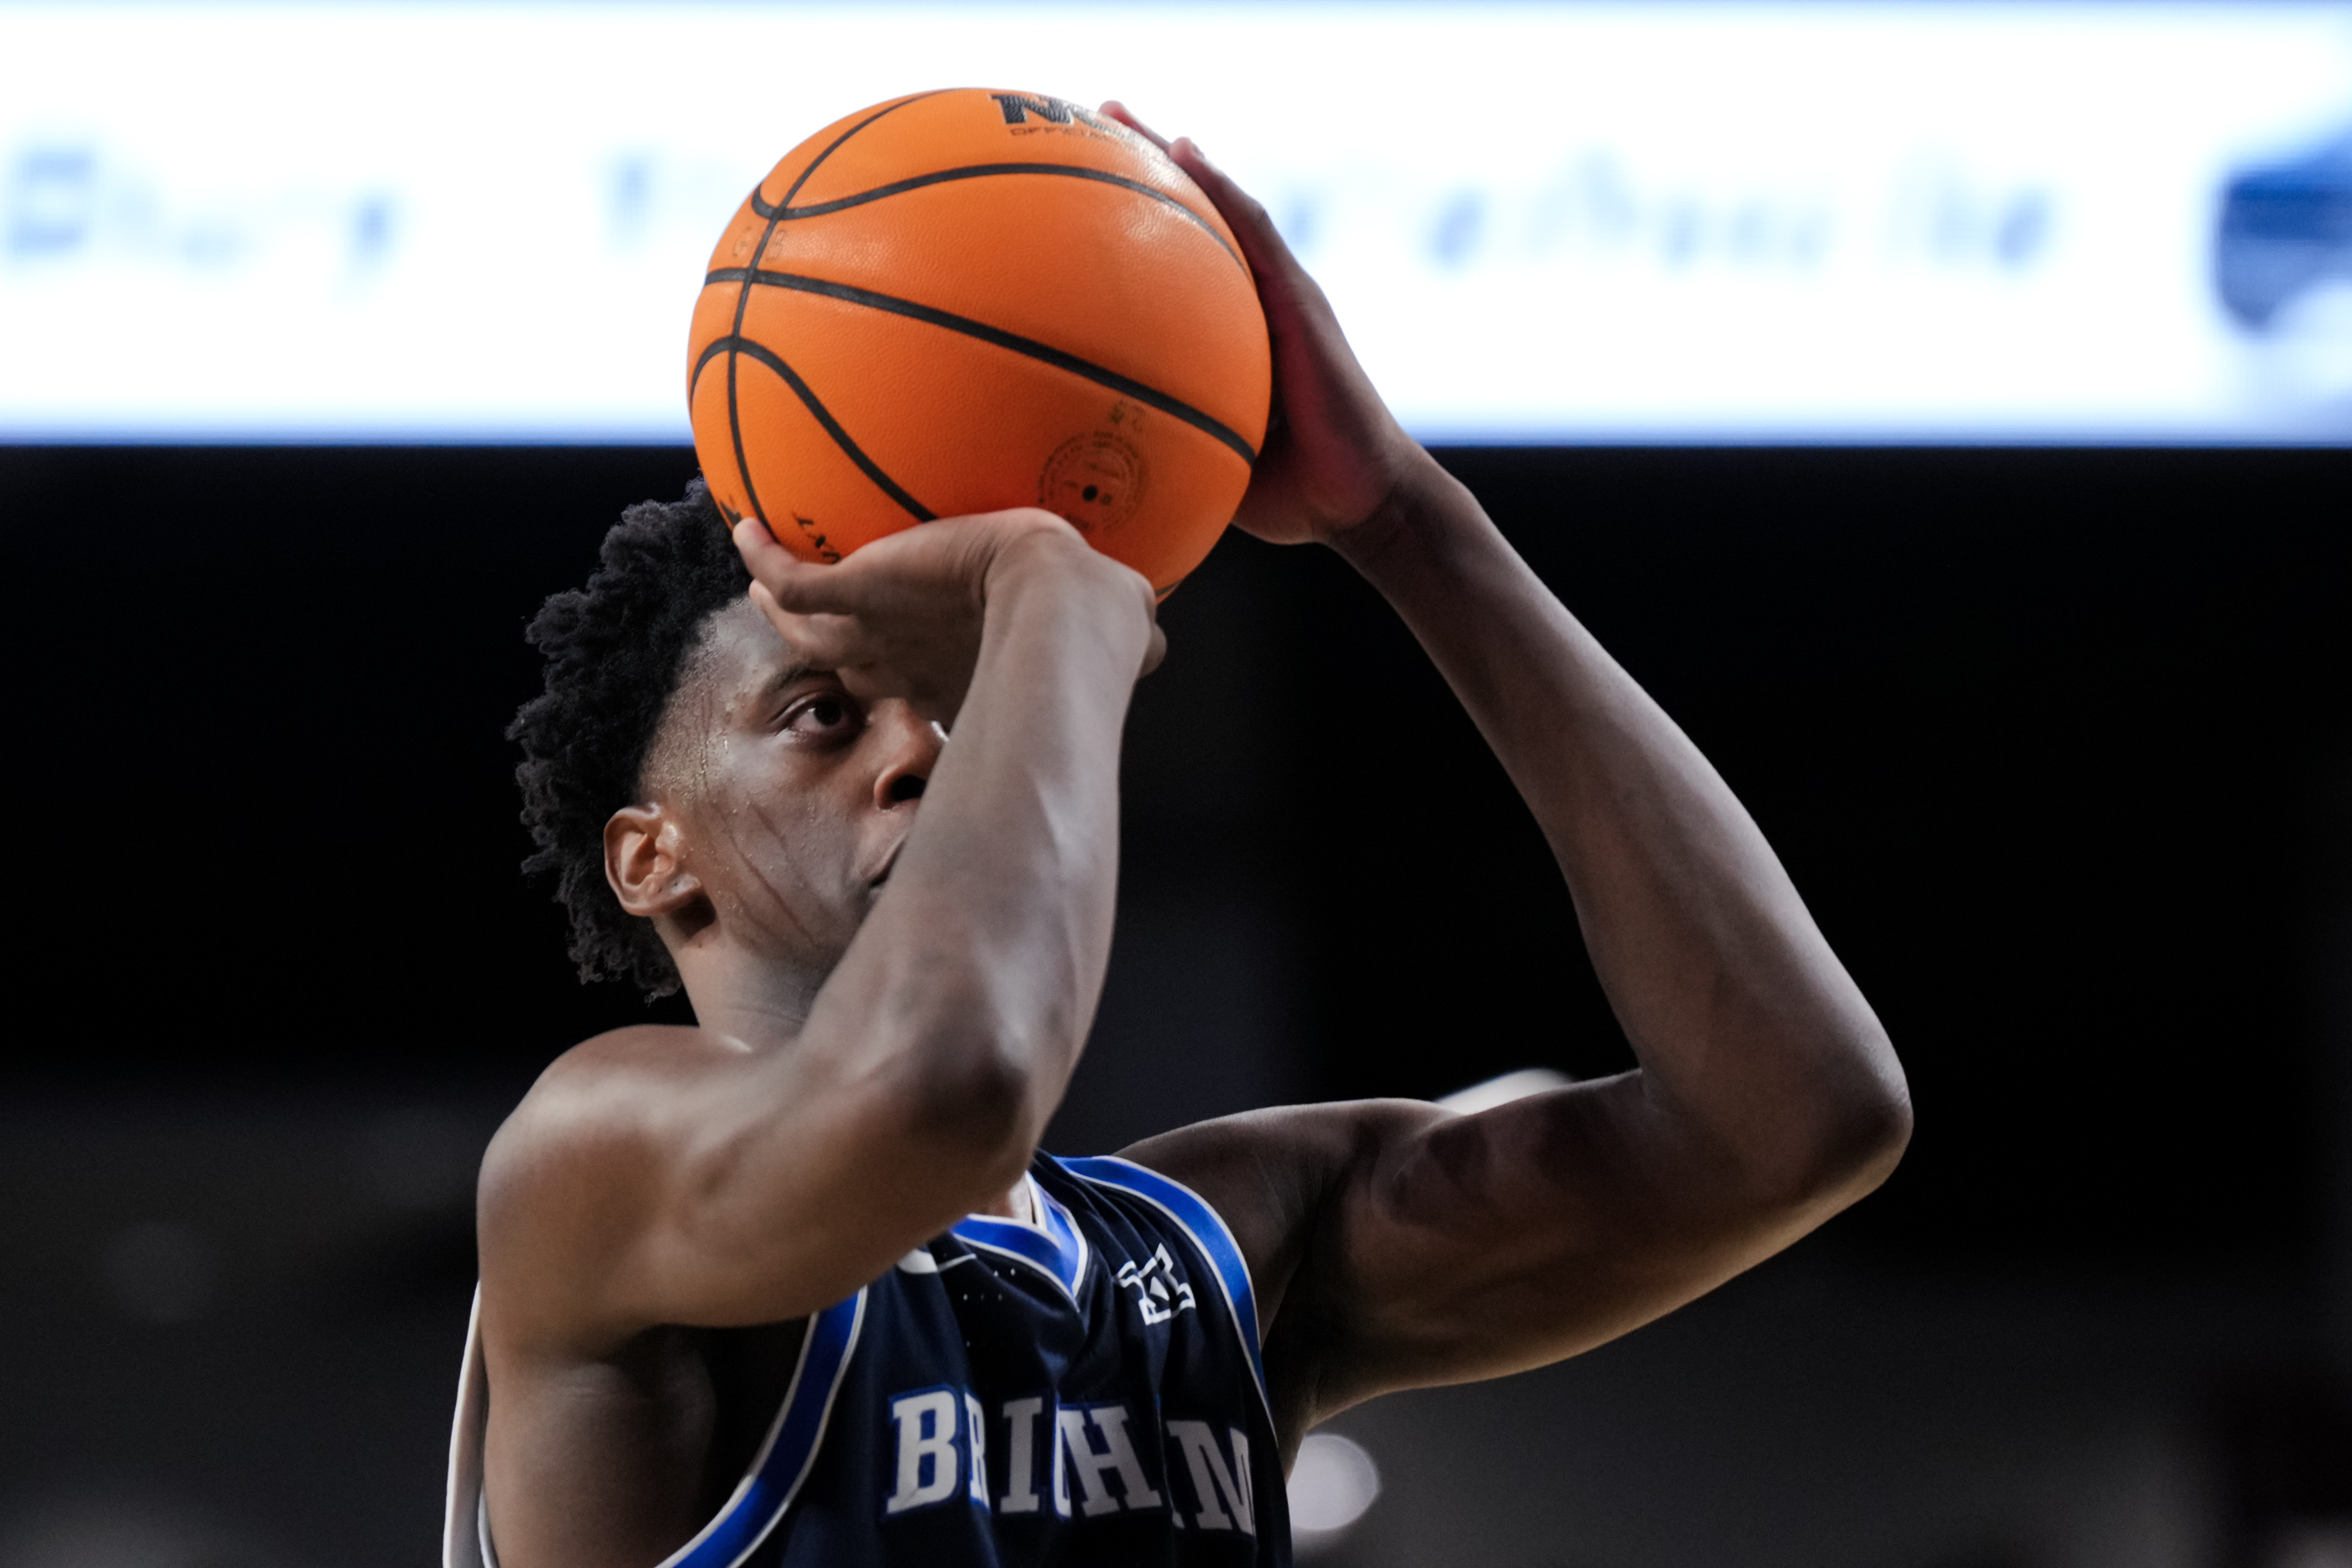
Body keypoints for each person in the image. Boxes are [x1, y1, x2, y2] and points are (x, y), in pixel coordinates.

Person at [444, 104, 1912, 1568]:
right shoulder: (594, 1159)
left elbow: (1799, 1116)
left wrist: (1402, 516)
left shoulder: (1212, 1251)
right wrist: (1050, 582)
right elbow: (949, 1088)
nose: (922, 757)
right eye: (827, 713)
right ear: (653, 855)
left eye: (961, 709)